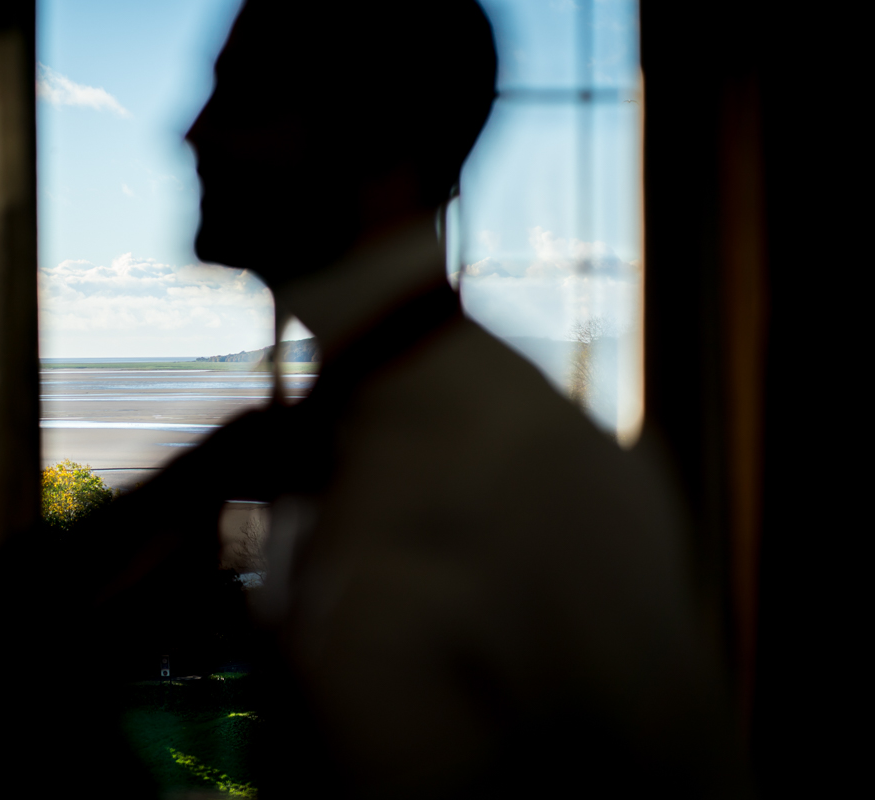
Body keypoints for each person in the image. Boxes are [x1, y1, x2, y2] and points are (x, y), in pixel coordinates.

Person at [80, 1, 747, 796]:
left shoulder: (538, 466)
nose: (190, 134)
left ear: (379, 142)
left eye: (245, 98)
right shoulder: (309, 437)